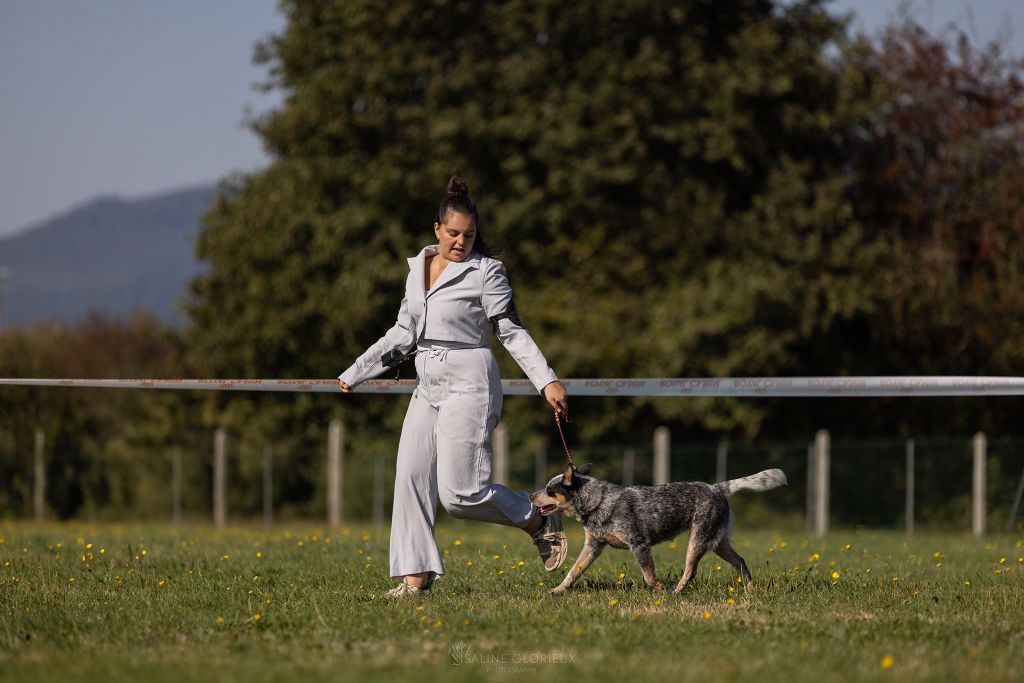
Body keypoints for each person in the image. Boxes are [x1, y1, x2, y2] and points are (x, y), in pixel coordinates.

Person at [338, 176, 569, 596]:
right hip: (427, 384)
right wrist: (355, 371)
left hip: (471, 385)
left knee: (459, 494)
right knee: (408, 477)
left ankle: (536, 517)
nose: (462, 242)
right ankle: (415, 579)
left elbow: (511, 331)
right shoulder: (417, 270)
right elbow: (402, 335)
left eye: (470, 234)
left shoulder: (487, 272)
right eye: (454, 233)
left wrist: (546, 380)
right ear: (437, 230)